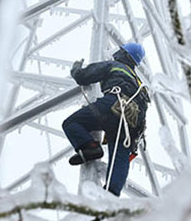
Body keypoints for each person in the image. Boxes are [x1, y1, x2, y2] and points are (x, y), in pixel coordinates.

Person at [61, 42, 150, 196]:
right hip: (132, 123)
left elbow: (83, 77)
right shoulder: (139, 83)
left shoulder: (115, 65)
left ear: (124, 54)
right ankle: (111, 195)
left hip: (113, 106)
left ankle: (90, 147)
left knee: (71, 123)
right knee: (120, 157)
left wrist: (76, 68)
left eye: (121, 50)